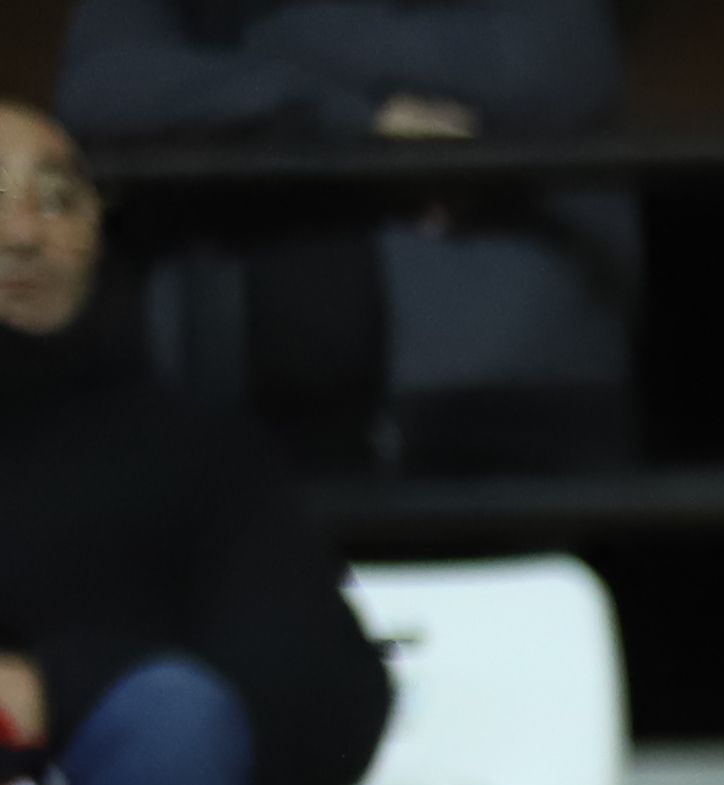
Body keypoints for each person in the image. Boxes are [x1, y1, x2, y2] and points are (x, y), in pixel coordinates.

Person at [0, 98, 383, 785]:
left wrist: (60, 689)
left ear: (97, 231)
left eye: (56, 200)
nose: (23, 234)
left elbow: (326, 722)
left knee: (171, 716)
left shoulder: (194, 452)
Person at [59, 0, 629, 478]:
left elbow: (541, 74)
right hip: (223, 419)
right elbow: (101, 90)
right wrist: (345, 120)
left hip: (491, 406)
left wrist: (245, 70)